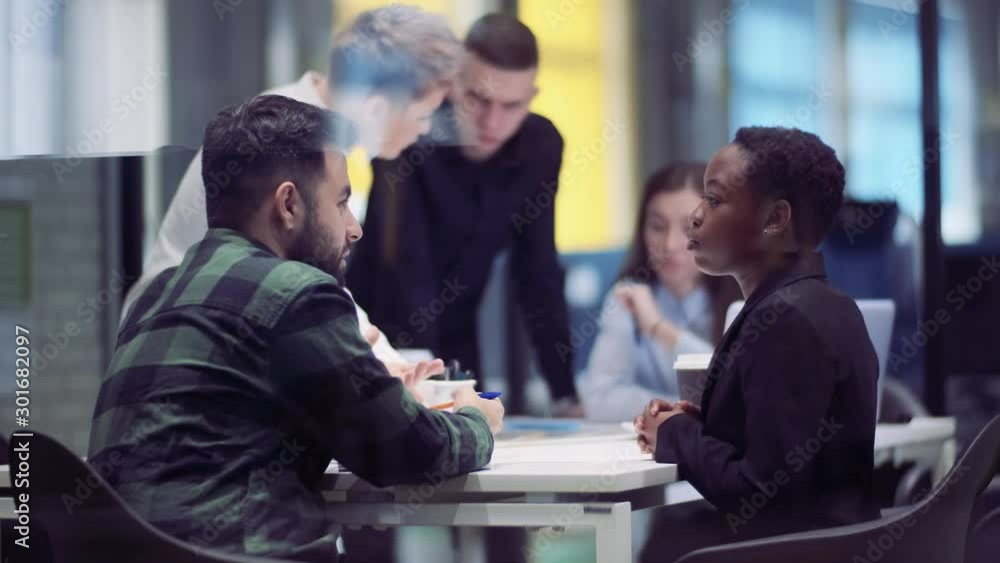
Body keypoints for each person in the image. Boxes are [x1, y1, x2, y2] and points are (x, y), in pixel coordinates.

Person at [88, 95, 504, 562]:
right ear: (288, 204)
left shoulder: (155, 296)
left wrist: (371, 392)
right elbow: (407, 452)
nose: (355, 228)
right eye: (342, 202)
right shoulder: (296, 292)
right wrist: (476, 421)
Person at [122, 4, 462, 368]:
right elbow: (309, 291)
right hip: (188, 351)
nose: (425, 129)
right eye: (424, 114)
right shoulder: (294, 141)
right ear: (378, 108)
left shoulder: (316, 135)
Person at [634, 127, 880, 563]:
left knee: (670, 538)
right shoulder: (816, 304)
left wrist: (674, 434)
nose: (695, 215)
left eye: (714, 198)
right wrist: (703, 424)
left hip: (801, 553)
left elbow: (763, 495)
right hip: (829, 547)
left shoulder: (786, 320)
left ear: (775, 219)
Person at [347, 13, 582, 416]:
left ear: (533, 95)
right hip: (378, 337)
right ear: (454, 82)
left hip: (460, 333)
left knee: (484, 457)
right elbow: (403, 270)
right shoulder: (412, 128)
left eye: (512, 106)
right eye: (478, 99)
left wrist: (564, 393)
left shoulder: (540, 146)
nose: (492, 122)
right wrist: (425, 395)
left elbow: (538, 272)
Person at [580, 163, 740, 422]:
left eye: (690, 227)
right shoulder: (628, 298)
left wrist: (659, 328)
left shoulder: (741, 300)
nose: (669, 244)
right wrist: (684, 408)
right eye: (657, 226)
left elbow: (731, 392)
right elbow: (599, 401)